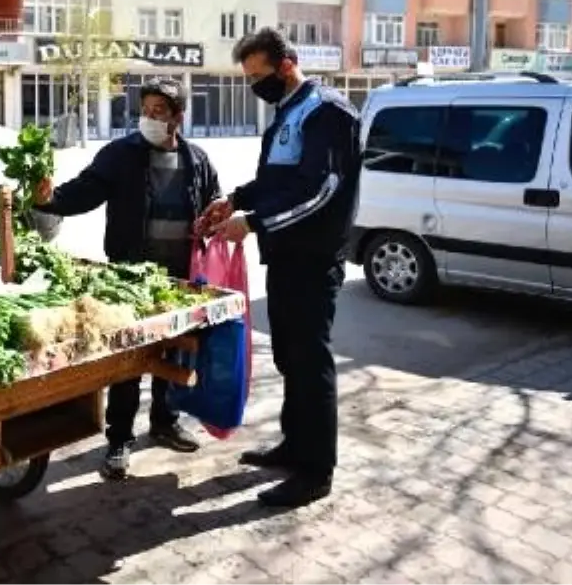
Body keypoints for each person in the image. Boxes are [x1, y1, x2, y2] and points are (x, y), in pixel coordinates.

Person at [198, 27, 361, 509]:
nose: (255, 86)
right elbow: (277, 180)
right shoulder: (287, 112)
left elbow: (322, 189)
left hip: (313, 260)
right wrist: (235, 202)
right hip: (286, 258)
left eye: (259, 76)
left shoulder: (327, 111)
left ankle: (315, 472)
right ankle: (295, 446)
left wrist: (255, 223)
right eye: (249, 78)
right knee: (290, 358)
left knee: (311, 362)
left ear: (287, 65)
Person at [34, 77, 222, 479]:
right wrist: (49, 198)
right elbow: (85, 190)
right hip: (130, 277)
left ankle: (165, 420)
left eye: (160, 111)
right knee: (129, 360)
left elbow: (212, 203)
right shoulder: (121, 155)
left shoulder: (198, 160)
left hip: (178, 280)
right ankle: (119, 438)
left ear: (178, 118)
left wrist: (214, 221)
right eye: (146, 110)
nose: (150, 117)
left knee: (173, 353)